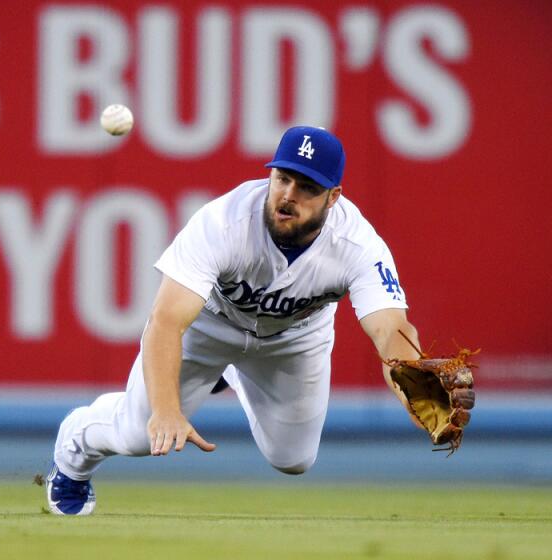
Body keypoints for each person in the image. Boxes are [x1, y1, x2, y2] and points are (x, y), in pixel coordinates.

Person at [46, 125, 422, 515]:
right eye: (283, 178)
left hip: (294, 337)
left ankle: (234, 374)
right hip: (208, 325)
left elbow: (389, 327)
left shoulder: (357, 245)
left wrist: (414, 379)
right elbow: (166, 322)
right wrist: (167, 410)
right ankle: (75, 446)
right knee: (140, 436)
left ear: (333, 198)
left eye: (307, 187)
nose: (288, 195)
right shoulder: (223, 224)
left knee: (293, 458)